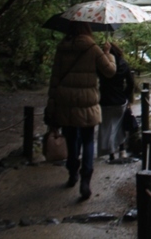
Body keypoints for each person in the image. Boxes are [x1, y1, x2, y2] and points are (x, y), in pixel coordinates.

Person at [45, 21, 116, 200]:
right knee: (87, 140)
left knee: (71, 138)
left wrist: (52, 100)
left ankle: (72, 172)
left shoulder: (62, 47)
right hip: (87, 102)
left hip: (65, 101)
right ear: (87, 29)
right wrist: (108, 54)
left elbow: (55, 77)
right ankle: (86, 179)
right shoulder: (92, 48)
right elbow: (110, 71)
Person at [97, 42, 135, 162]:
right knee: (120, 127)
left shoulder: (102, 65)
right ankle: (122, 150)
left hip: (105, 100)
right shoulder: (123, 64)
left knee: (106, 127)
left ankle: (111, 152)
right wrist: (127, 96)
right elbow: (131, 82)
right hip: (120, 100)